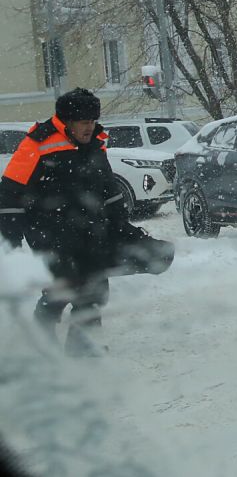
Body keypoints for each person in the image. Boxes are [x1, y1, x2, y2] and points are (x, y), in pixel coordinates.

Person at [0, 88, 173, 357]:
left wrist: (121, 225)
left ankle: (83, 345)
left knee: (94, 283)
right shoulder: (37, 144)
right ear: (66, 122)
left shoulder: (95, 143)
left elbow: (108, 186)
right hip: (46, 230)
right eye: (83, 123)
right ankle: (42, 335)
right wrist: (11, 235)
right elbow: (10, 191)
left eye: (92, 122)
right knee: (67, 282)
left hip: (87, 227)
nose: (89, 128)